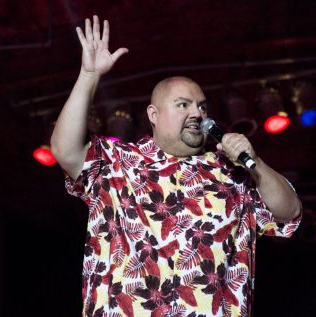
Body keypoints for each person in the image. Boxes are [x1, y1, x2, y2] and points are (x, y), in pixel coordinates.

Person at [51, 15, 302, 317]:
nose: (197, 113)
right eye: (183, 105)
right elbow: (65, 151)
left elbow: (289, 213)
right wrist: (89, 77)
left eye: (201, 106)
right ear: (153, 114)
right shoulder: (117, 163)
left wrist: (255, 163)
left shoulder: (232, 173)